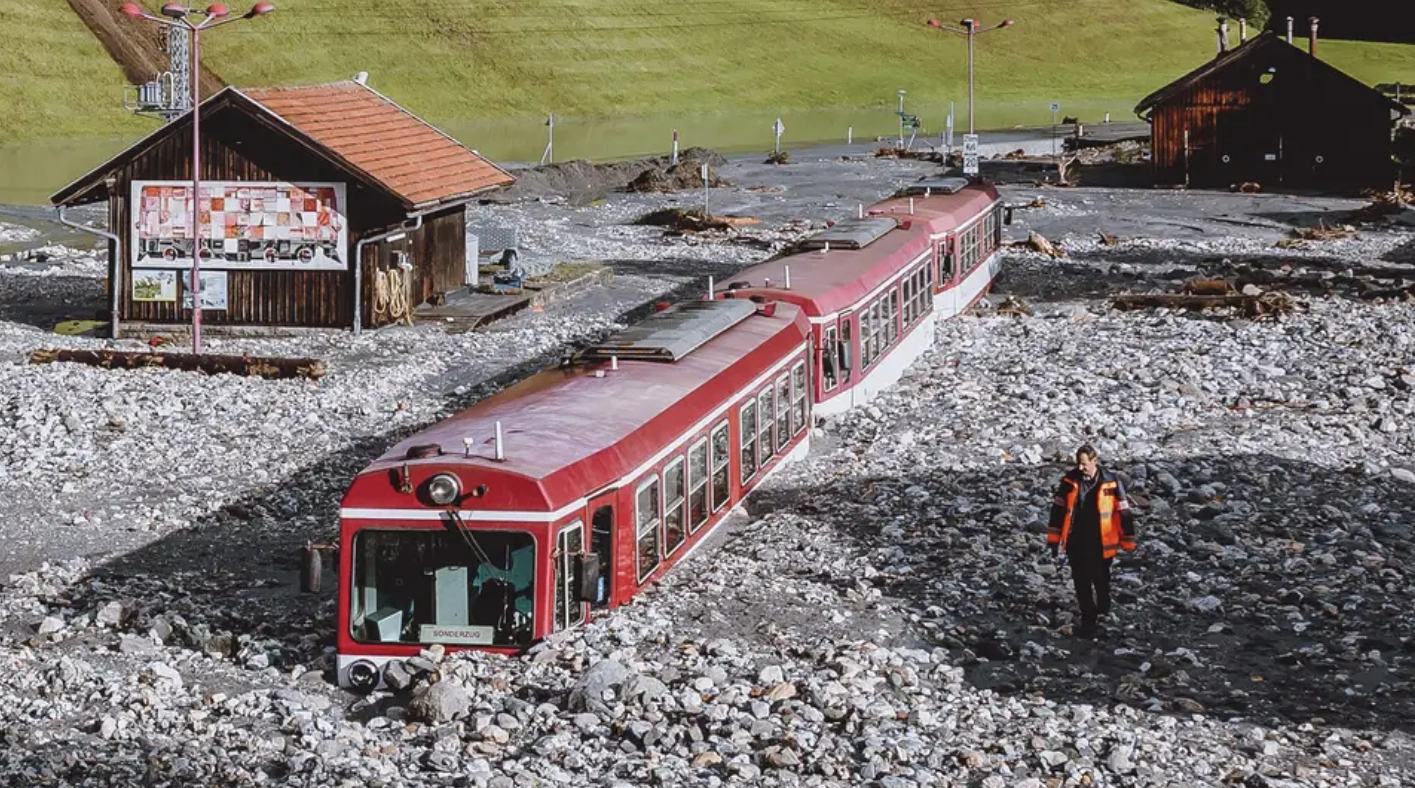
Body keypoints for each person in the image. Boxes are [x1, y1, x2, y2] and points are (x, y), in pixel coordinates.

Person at [1047, 445, 1137, 636]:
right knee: (1081, 580)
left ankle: (1103, 607)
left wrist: (1128, 540)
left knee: (1101, 578)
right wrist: (1054, 541)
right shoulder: (1069, 481)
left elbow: (1124, 512)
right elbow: (1058, 511)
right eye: (1078, 464)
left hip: (1102, 541)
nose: (1081, 468)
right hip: (1076, 540)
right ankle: (1088, 617)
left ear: (1094, 461)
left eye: (1084, 464)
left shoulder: (1111, 482)